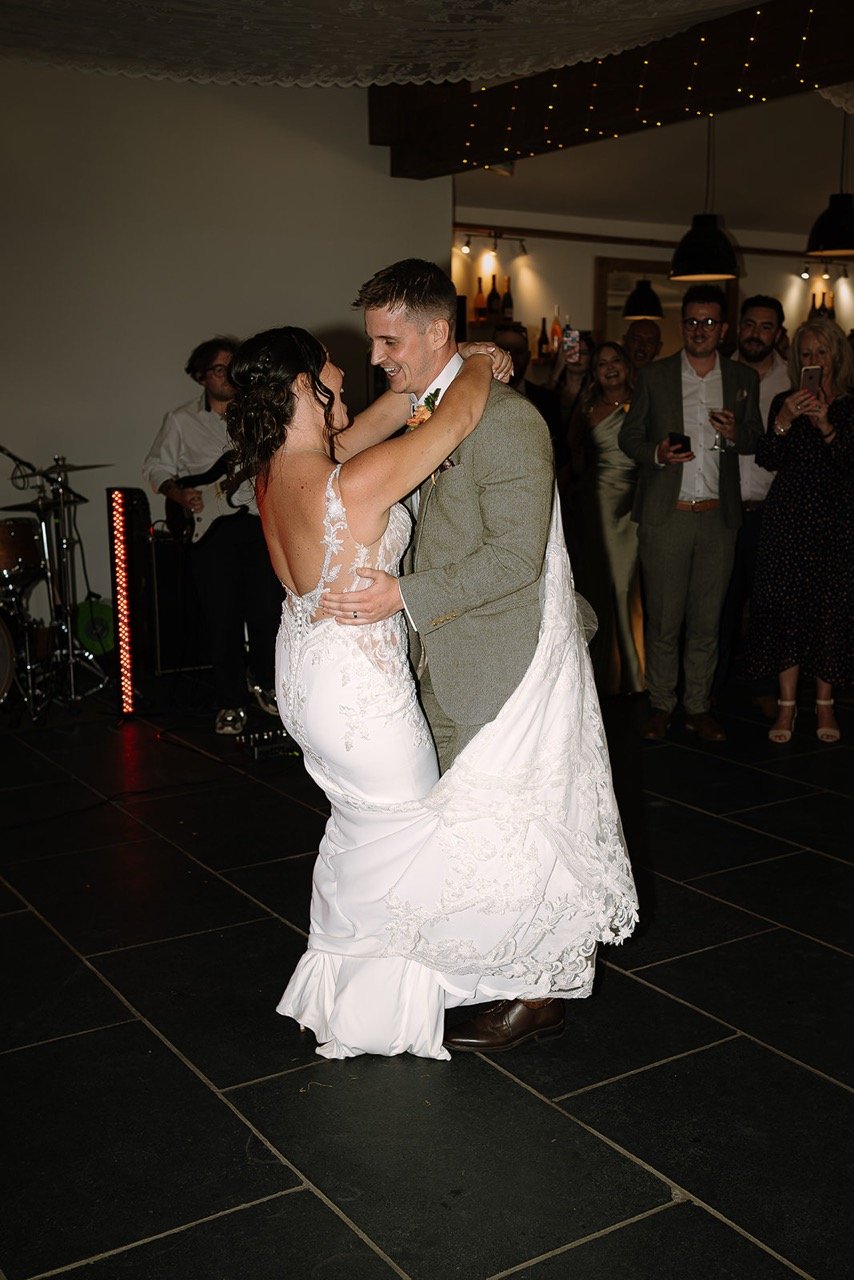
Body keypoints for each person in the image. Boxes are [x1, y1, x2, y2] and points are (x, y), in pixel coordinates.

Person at [230, 266, 635, 1060]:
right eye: (346, 367)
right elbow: (443, 430)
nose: (373, 361)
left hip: (335, 670)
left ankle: (489, 979)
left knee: (393, 835)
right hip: (369, 683)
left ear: (434, 332)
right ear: (304, 395)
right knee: (420, 836)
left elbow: (515, 556)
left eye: (388, 339)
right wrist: (478, 365)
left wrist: (468, 368)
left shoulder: (281, 466)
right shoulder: (354, 466)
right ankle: (416, 989)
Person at [618, 285, 763, 742]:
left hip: (718, 518)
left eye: (709, 322)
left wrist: (739, 432)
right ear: (684, 327)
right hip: (668, 515)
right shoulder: (657, 376)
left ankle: (698, 706)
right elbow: (629, 438)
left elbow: (755, 439)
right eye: (693, 322)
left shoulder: (742, 378)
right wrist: (658, 453)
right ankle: (661, 704)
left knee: (708, 619)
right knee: (663, 618)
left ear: (722, 329)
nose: (700, 330)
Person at [142, 336, 283, 734]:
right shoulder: (181, 420)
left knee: (266, 609)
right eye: (220, 370)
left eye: (232, 368)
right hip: (210, 529)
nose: (228, 377)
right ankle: (229, 701)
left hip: (255, 522)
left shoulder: (255, 416)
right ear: (201, 376)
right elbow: (154, 465)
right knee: (221, 618)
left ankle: (266, 682)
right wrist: (179, 493)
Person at [746, 318, 853, 745]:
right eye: (806, 354)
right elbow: (768, 458)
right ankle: (787, 707)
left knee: (831, 611)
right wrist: (785, 420)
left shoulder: (848, 406)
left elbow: (849, 462)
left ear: (836, 358)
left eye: (821, 354)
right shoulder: (782, 402)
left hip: (835, 521)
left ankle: (824, 704)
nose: (813, 362)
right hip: (789, 519)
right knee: (787, 609)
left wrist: (827, 425)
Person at [714, 296, 790, 714]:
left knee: (766, 605)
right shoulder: (718, 373)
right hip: (722, 507)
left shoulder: (793, 379)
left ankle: (764, 686)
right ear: (736, 327)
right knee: (719, 604)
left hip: (772, 510)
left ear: (778, 332)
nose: (755, 334)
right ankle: (711, 688)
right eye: (749, 324)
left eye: (765, 327)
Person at [566, 342, 643, 696]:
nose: (609, 368)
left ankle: (633, 671)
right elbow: (573, 453)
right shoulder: (587, 408)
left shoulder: (644, 405)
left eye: (616, 360)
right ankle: (602, 672)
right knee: (597, 587)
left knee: (626, 586)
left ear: (627, 365)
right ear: (594, 373)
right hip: (592, 507)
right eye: (601, 363)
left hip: (631, 507)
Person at [491, 320, 531, 390]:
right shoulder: (476, 395)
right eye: (504, 351)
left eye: (518, 351)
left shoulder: (545, 399)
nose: (511, 357)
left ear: (528, 357)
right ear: (490, 354)